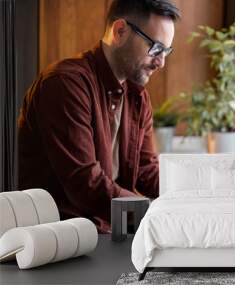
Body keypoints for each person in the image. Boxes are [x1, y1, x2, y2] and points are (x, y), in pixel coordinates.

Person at [17, 0, 180, 233]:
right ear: (120, 31)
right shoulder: (65, 84)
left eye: (166, 51)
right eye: (155, 48)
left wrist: (194, 194)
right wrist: (155, 212)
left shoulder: (137, 96)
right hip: (61, 240)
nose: (161, 62)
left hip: (110, 232)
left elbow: (146, 171)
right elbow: (86, 184)